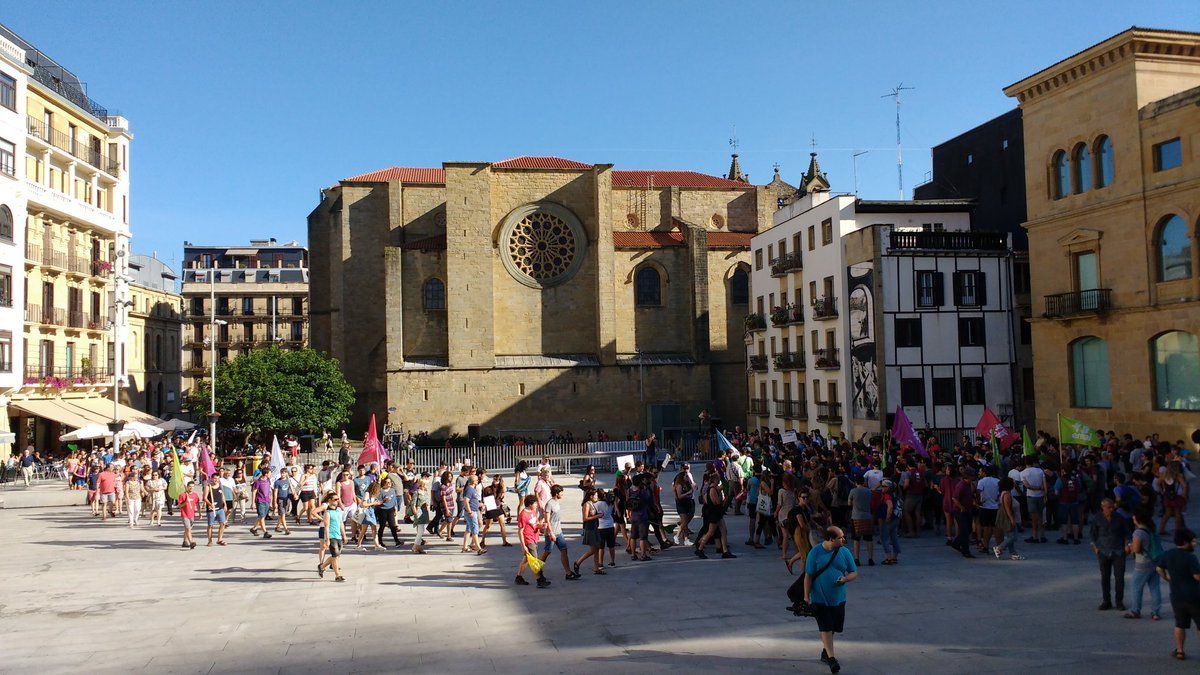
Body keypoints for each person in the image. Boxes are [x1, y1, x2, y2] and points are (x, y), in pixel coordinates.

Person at [804, 526, 858, 674]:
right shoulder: (815, 552)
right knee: (826, 627)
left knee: (833, 627)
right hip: (819, 599)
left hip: (839, 599)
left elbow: (854, 572)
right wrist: (806, 596)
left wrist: (845, 579)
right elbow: (808, 576)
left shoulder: (845, 552)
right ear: (831, 539)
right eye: (840, 537)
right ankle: (832, 659)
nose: (844, 540)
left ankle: (825, 651)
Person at [1157, 528, 1200, 661]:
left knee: (1180, 624)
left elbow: (1159, 568)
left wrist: (1166, 578)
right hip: (1194, 596)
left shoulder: (1168, 554)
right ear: (1185, 542)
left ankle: (1180, 650)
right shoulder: (1190, 557)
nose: (1195, 544)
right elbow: (1197, 576)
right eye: (1193, 541)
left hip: (1176, 596)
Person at [1091, 497, 1130, 611]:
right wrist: (1094, 546)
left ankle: (1119, 601)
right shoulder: (1097, 518)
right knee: (1105, 577)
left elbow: (1127, 533)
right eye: (1109, 507)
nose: (1112, 509)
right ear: (1103, 508)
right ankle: (1106, 601)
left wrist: (1127, 544)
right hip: (1103, 551)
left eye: (1112, 507)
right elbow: (1093, 534)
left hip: (1118, 551)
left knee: (1119, 578)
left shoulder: (1120, 518)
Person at [1125, 510, 1163, 620]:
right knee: (1155, 588)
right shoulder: (1151, 530)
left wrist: (1130, 546)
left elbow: (1136, 550)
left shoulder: (1138, 533)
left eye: (1133, 518)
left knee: (1136, 587)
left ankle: (1135, 610)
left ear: (1137, 519)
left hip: (1142, 564)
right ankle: (1155, 612)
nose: (1133, 519)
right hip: (1154, 562)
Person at [541, 484, 578, 579]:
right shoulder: (549, 504)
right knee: (547, 552)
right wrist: (551, 533)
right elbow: (547, 520)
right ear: (557, 493)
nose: (562, 494)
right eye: (561, 492)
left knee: (564, 550)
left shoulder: (556, 502)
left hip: (559, 532)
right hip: (551, 533)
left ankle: (568, 573)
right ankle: (538, 570)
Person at [515, 495, 550, 588]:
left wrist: (541, 526)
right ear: (530, 504)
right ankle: (540, 580)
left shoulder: (533, 511)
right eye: (535, 503)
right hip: (528, 540)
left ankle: (519, 577)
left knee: (527, 559)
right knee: (534, 560)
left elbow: (536, 524)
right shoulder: (523, 515)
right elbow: (520, 531)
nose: (537, 505)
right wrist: (523, 546)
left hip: (535, 537)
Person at [573, 487, 605, 576]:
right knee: (592, 550)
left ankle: (596, 568)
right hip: (590, 528)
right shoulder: (587, 504)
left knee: (597, 548)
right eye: (595, 495)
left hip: (595, 528)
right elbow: (585, 518)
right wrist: (597, 516)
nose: (597, 497)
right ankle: (578, 562)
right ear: (591, 496)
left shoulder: (593, 503)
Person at [316, 493, 347, 582]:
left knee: (336, 556)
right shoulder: (327, 512)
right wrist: (327, 539)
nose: (337, 501)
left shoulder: (338, 511)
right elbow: (326, 527)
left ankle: (321, 566)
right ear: (329, 500)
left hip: (338, 536)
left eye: (338, 499)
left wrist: (344, 535)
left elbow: (341, 523)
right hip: (332, 536)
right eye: (335, 499)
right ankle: (338, 575)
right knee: (335, 556)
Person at [992, 476, 1024, 560]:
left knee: (1011, 535)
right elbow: (1007, 509)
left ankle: (1013, 553)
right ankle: (999, 548)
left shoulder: (1006, 493)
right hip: (1008, 517)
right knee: (1013, 537)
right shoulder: (1007, 495)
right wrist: (1012, 520)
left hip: (1009, 516)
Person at [847, 475, 873, 566]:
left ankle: (857, 559)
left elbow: (849, 503)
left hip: (856, 517)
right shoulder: (869, 491)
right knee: (869, 539)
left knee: (856, 539)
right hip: (867, 516)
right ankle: (870, 559)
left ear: (855, 482)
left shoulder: (853, 491)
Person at [673, 464, 696, 545]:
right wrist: (688, 493)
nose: (687, 477)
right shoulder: (679, 484)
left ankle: (686, 539)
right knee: (685, 521)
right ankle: (678, 535)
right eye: (686, 477)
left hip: (687, 502)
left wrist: (692, 489)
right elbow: (679, 496)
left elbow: (693, 486)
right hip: (681, 504)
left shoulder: (686, 482)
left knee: (685, 521)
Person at [203, 475, 228, 546]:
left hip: (220, 508)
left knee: (223, 523)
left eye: (217, 478)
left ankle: (220, 539)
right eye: (215, 478)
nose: (216, 480)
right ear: (211, 479)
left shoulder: (220, 486)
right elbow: (204, 498)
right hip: (211, 509)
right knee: (210, 525)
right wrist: (210, 504)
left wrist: (225, 505)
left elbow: (222, 496)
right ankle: (210, 541)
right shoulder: (208, 487)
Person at [249, 471, 273, 539]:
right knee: (262, 517)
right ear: (266, 474)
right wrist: (253, 503)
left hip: (267, 501)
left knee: (261, 516)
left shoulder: (268, 480)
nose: (270, 474)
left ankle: (254, 529)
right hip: (260, 501)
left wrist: (271, 501)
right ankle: (265, 532)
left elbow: (269, 491)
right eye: (269, 473)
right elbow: (254, 492)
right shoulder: (258, 482)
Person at [177, 481, 200, 549]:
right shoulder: (183, 495)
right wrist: (185, 502)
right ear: (187, 487)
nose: (191, 488)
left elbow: (197, 504)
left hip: (192, 514)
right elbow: (179, 506)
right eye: (190, 486)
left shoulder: (195, 495)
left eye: (193, 486)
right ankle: (191, 542)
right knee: (188, 528)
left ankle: (185, 541)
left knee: (188, 529)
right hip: (185, 514)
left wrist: (200, 513)